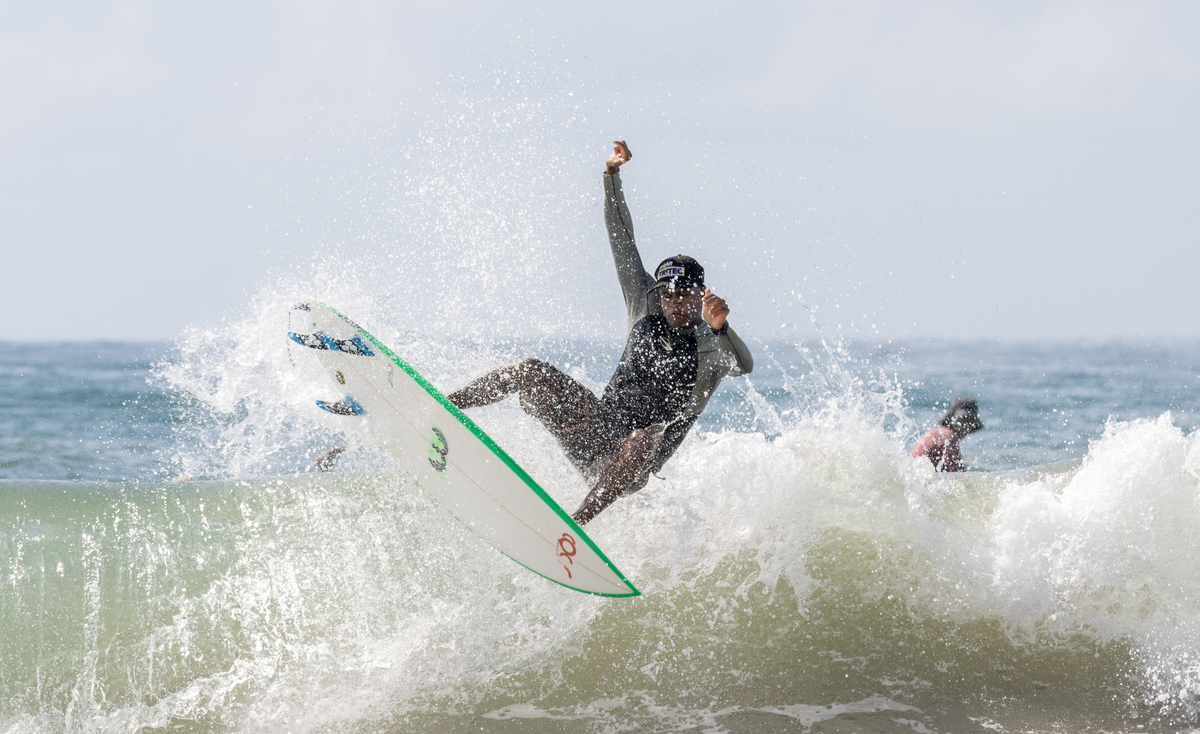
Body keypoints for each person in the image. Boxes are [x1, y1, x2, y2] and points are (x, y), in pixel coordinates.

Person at [446, 140, 753, 524]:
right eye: (666, 293)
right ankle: (442, 406)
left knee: (642, 438)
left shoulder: (712, 347)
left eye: (682, 295)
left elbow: (743, 366)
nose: (672, 301)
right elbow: (622, 239)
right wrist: (612, 175)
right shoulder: (643, 304)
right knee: (531, 371)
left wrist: (722, 327)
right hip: (595, 431)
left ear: (700, 295)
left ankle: (575, 526)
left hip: (635, 465)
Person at [911, 396, 983, 472]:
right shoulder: (946, 435)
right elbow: (957, 473)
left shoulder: (940, 432)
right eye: (963, 419)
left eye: (970, 421)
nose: (966, 426)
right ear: (953, 418)